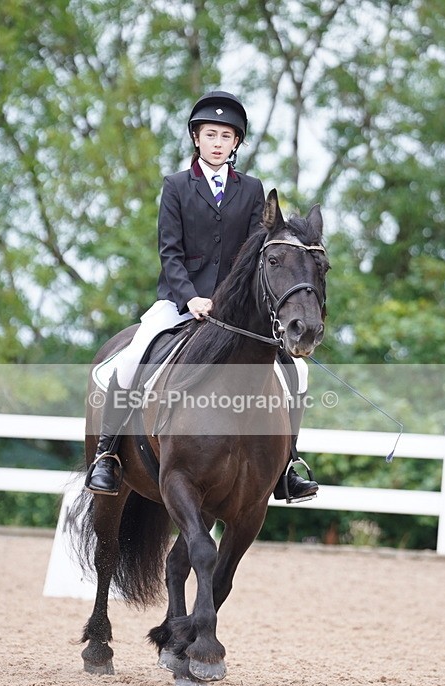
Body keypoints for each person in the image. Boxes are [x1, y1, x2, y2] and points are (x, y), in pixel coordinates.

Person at [86, 90, 318, 502]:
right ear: (197, 138)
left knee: (297, 373)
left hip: (234, 312)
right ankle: (107, 455)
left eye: (225, 136)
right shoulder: (176, 186)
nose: (217, 142)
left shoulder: (252, 189)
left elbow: (252, 256)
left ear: (236, 144)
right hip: (180, 302)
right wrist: (191, 297)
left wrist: (234, 302)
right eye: (210, 134)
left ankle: (288, 465)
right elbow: (169, 251)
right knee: (130, 359)